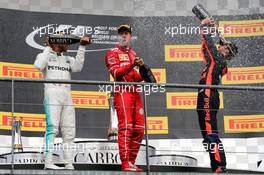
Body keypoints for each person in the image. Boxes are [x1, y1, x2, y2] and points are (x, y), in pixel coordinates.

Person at [34, 33, 91, 170]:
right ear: (55, 43)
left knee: (69, 130)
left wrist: (82, 47)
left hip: (67, 94)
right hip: (52, 93)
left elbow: (78, 67)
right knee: (52, 128)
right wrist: (48, 47)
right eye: (65, 41)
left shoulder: (68, 59)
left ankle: (69, 163)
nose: (68, 44)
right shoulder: (45, 55)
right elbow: (38, 65)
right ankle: (48, 162)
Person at [196, 17, 238, 173]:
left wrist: (204, 26)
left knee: (210, 132)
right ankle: (218, 164)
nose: (220, 46)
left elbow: (207, 41)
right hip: (208, 96)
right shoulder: (217, 61)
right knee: (208, 133)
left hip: (207, 96)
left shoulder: (219, 58)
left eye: (224, 46)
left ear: (227, 51)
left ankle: (219, 165)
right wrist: (211, 31)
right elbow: (204, 49)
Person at [105, 24, 145, 172]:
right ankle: (125, 163)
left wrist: (145, 72)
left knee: (140, 130)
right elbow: (115, 73)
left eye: (126, 33)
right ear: (117, 36)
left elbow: (136, 77)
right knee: (126, 127)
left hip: (135, 92)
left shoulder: (134, 54)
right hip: (122, 91)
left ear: (130, 36)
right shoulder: (112, 52)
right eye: (121, 33)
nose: (123, 36)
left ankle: (131, 162)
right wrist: (131, 65)